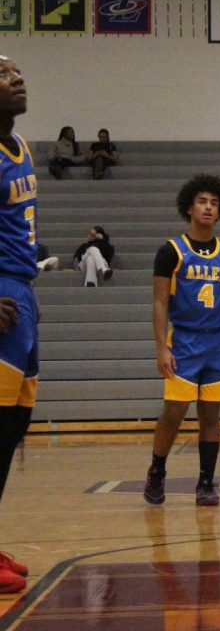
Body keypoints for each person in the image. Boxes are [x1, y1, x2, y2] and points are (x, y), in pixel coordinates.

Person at [143, 174, 220, 508]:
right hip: (184, 340)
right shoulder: (171, 251)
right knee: (174, 412)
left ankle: (205, 483)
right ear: (189, 208)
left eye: (214, 203)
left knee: (211, 416)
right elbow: (160, 303)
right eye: (202, 201)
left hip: (218, 342)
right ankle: (157, 470)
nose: (208, 207)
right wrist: (162, 347)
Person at [0, 55, 37, 593]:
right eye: (4, 75)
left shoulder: (22, 146)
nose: (17, 79)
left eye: (16, 71)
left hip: (22, 294)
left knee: (13, 427)